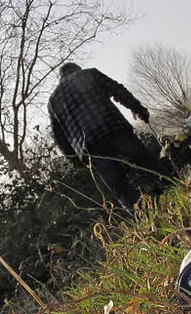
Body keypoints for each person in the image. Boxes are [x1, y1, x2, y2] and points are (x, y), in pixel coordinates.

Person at [48, 62, 167, 210]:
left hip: (90, 146)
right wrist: (138, 109)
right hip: (113, 127)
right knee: (145, 161)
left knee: (118, 184)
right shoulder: (89, 74)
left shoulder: (53, 101)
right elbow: (117, 90)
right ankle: (170, 188)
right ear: (77, 69)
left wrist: (74, 160)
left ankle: (141, 215)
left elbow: (59, 136)